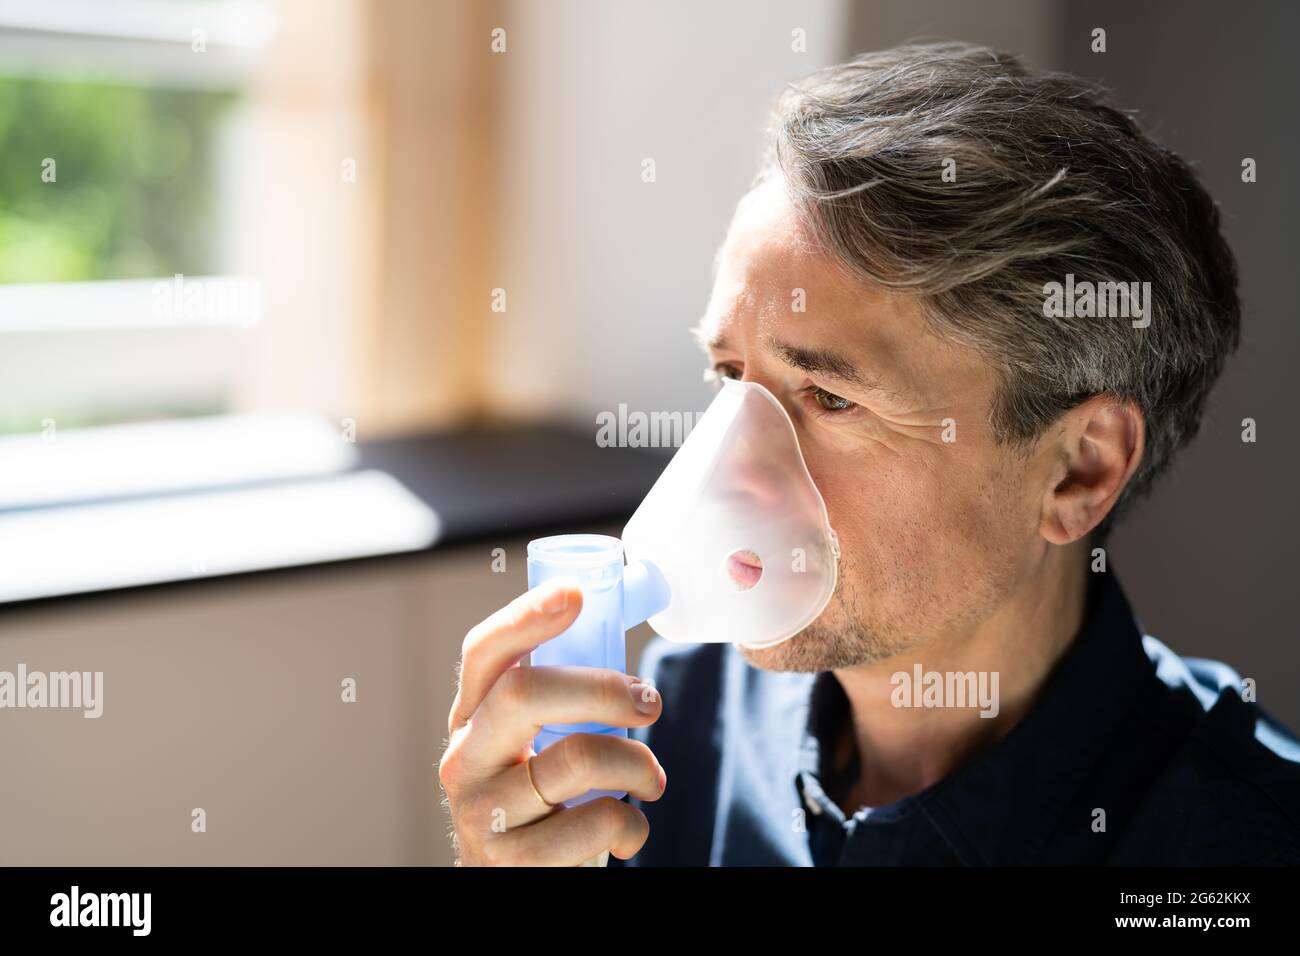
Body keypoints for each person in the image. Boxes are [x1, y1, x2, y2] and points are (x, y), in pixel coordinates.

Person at [438, 42, 1300, 866]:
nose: (724, 475)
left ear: (1081, 469)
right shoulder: (676, 715)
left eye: (830, 398)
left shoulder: (1243, 846)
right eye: (731, 376)